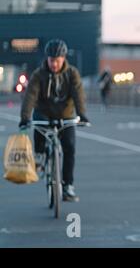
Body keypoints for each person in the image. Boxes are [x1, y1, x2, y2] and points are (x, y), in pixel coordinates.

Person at [19, 39, 90, 202]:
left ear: (64, 58)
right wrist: (25, 118)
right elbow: (30, 96)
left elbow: (78, 95)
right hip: (44, 112)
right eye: (51, 60)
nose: (54, 64)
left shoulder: (72, 74)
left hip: (65, 114)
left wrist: (82, 114)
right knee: (38, 126)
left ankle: (67, 186)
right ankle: (39, 156)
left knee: (70, 148)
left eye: (57, 60)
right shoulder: (39, 74)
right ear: (47, 59)